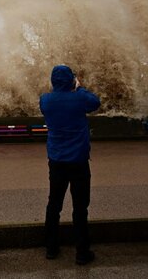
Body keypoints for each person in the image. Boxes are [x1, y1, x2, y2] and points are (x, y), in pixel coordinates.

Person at [39, 64, 101, 265]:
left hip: (56, 160)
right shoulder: (80, 98)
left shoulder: (45, 101)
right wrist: (79, 87)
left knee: (54, 204)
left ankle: (51, 248)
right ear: (71, 80)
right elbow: (96, 102)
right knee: (80, 207)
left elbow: (52, 103)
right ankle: (82, 253)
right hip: (79, 161)